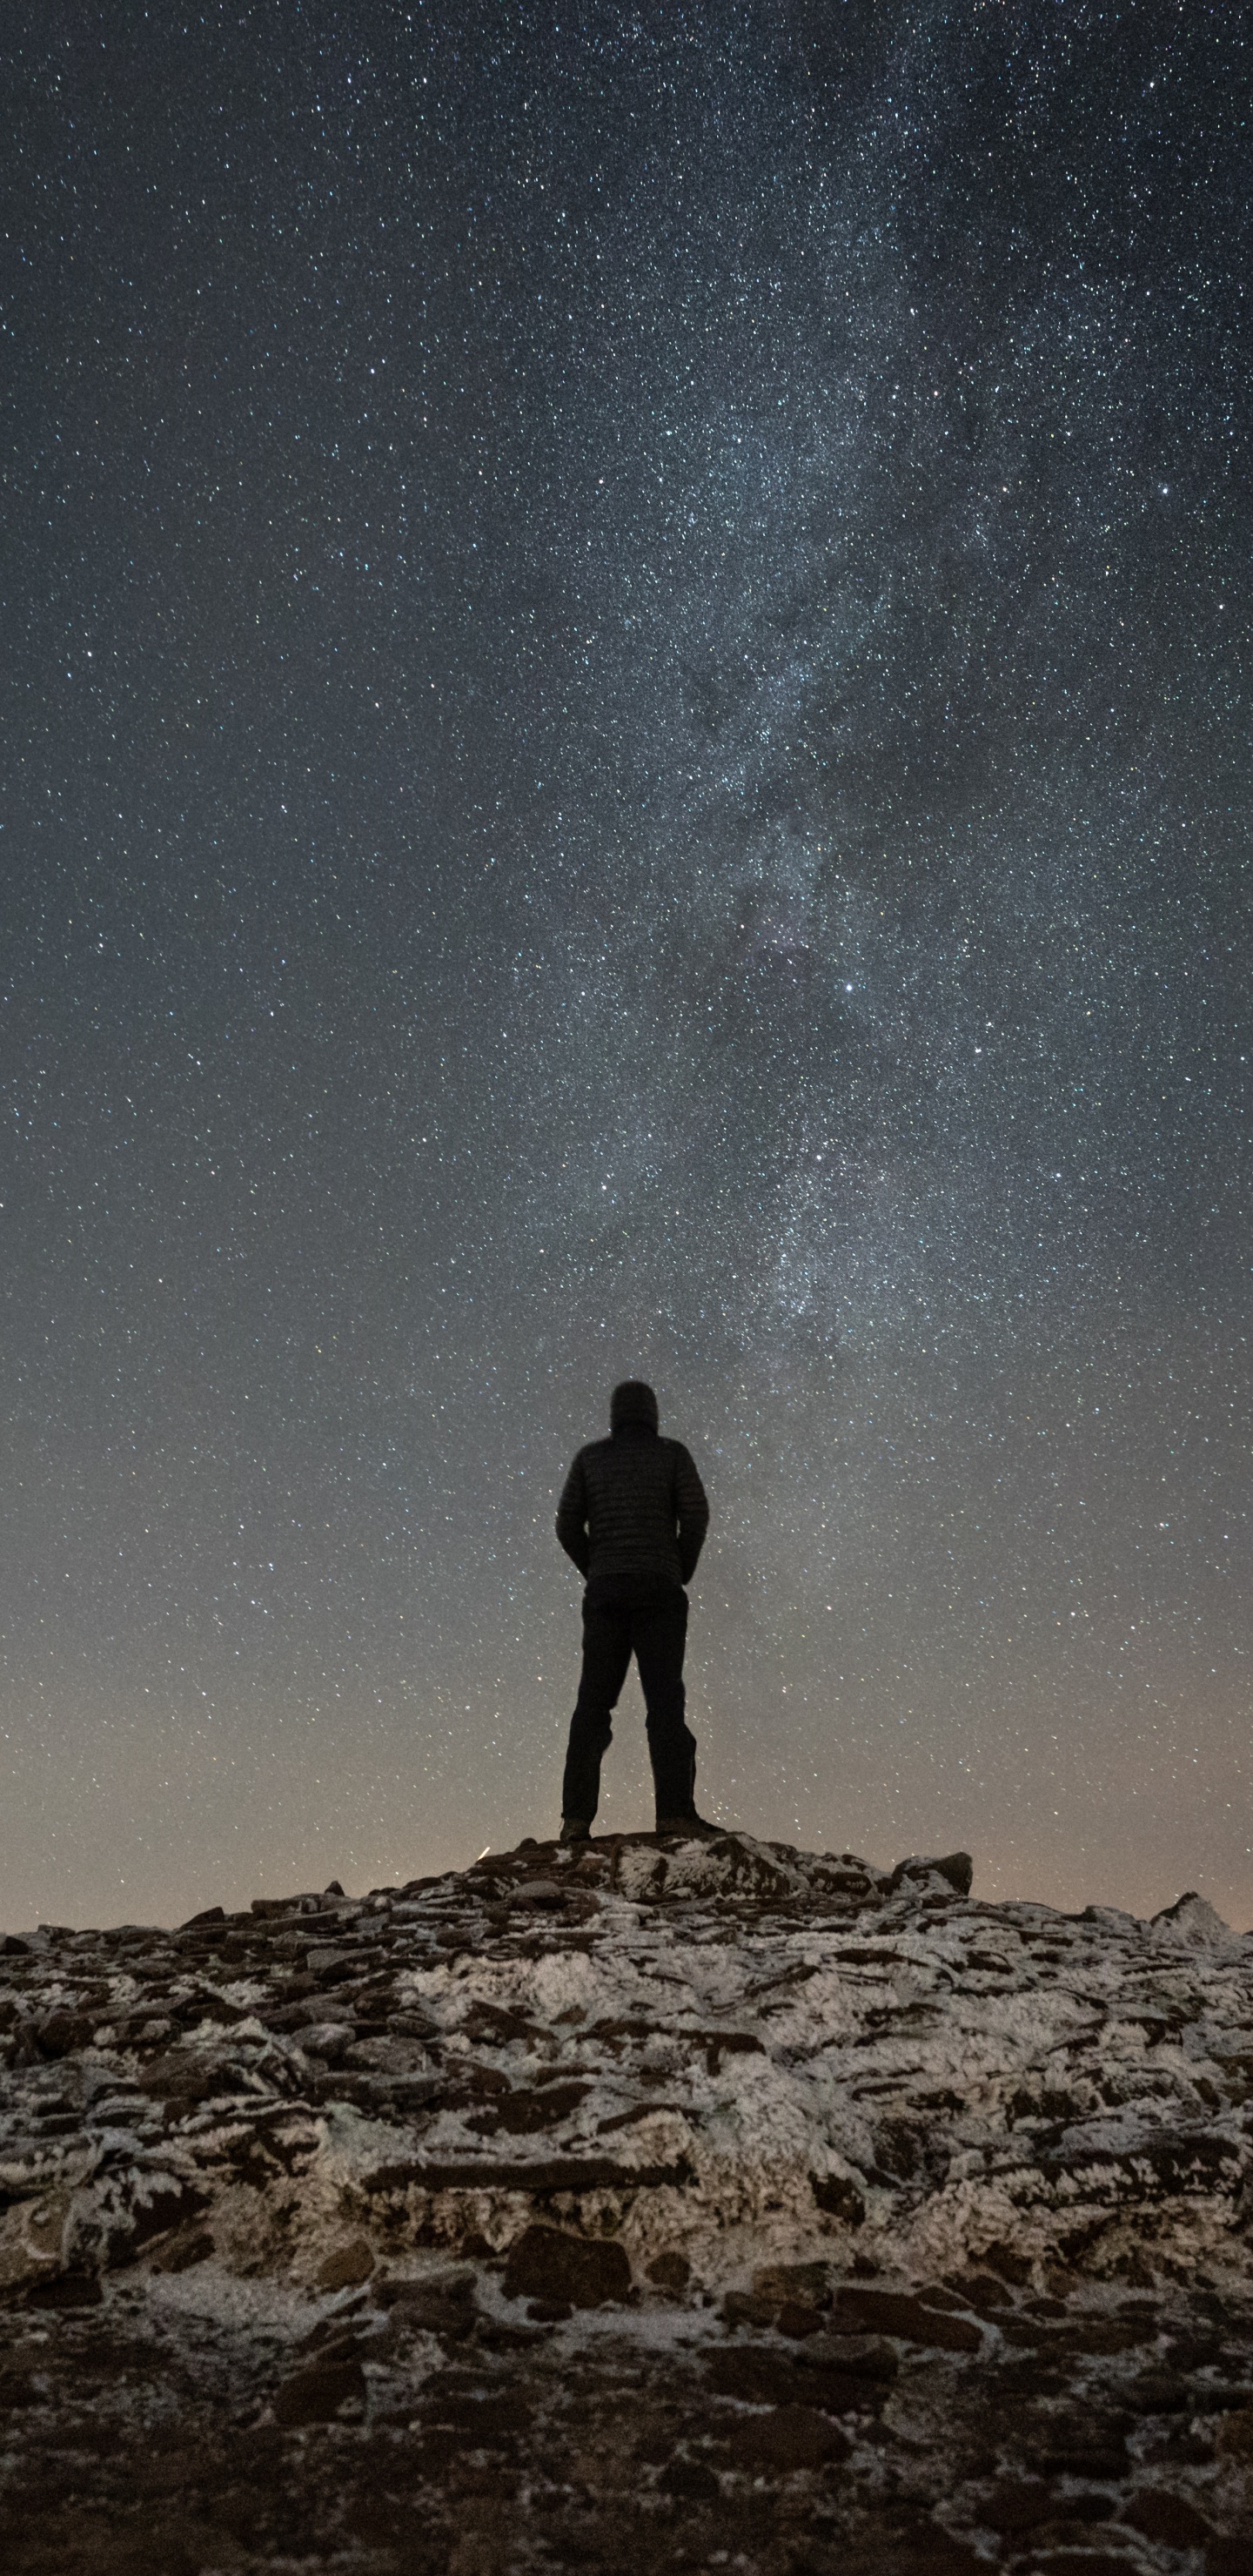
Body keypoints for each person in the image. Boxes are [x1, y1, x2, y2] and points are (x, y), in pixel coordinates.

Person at [554, 1379, 716, 1843]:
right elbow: (697, 1514)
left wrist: (597, 1568)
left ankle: (575, 1822)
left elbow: (566, 1523)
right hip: (659, 1592)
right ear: (652, 1415)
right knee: (665, 1703)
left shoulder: (590, 1458)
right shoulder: (672, 1454)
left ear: (614, 1415)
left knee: (593, 1706)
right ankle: (674, 1816)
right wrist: (678, 1566)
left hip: (606, 1595)